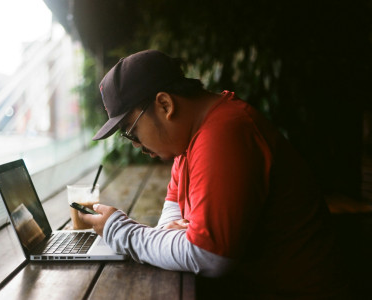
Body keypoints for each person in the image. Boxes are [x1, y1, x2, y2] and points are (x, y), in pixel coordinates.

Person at [79, 50, 348, 298]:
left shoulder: (224, 134)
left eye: (131, 130)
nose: (135, 144)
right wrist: (178, 241)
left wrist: (122, 231)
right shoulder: (185, 148)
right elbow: (169, 232)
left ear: (164, 104)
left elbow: (208, 255)